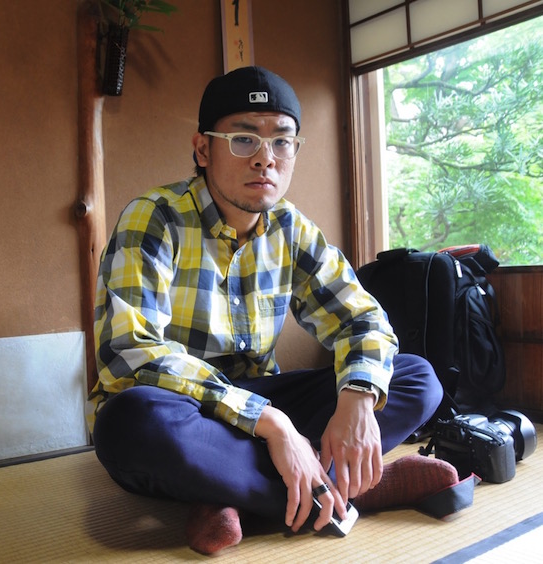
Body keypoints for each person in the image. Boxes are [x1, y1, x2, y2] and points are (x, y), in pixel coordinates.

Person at [86, 66, 459, 555]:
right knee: (129, 422)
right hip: (184, 406)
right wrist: (274, 425)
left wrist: (357, 399)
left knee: (415, 378)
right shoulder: (155, 217)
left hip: (260, 397)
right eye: (244, 139)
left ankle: (229, 493)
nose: (266, 158)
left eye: (282, 142)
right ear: (203, 149)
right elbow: (129, 353)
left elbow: (363, 320)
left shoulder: (291, 228)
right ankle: (355, 490)